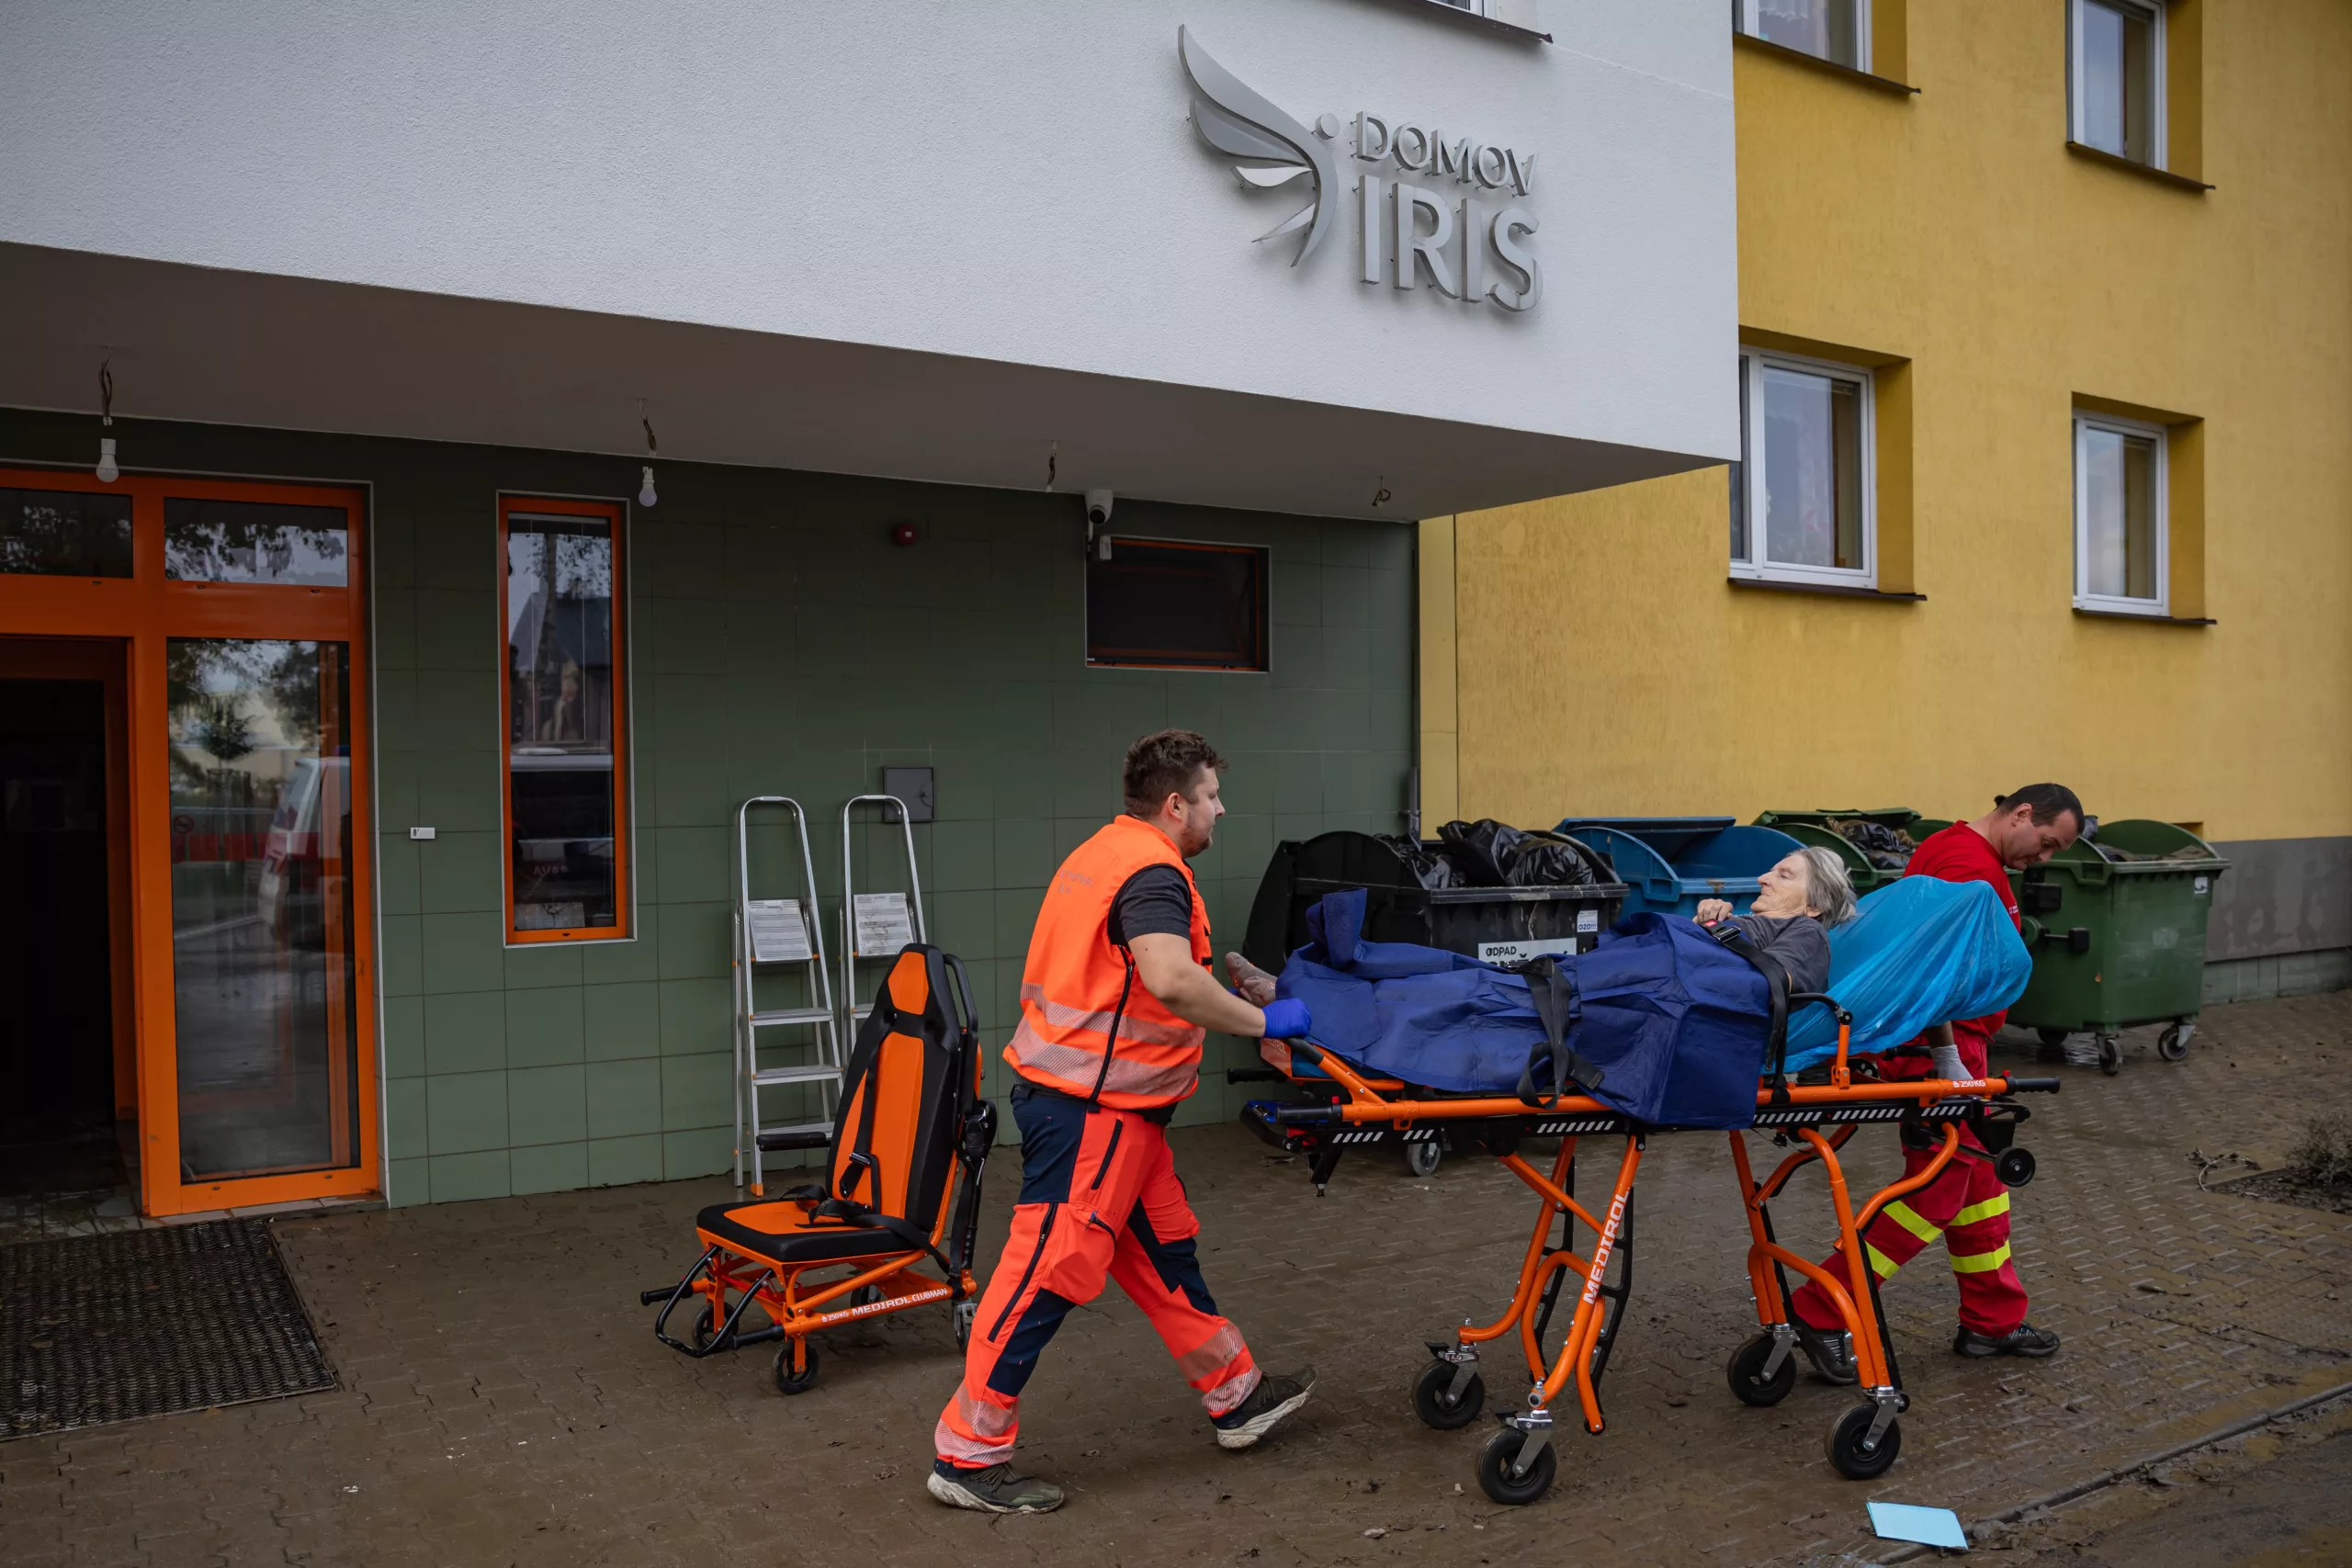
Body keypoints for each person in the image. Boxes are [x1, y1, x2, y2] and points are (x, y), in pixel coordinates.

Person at [928, 729, 1317, 1516]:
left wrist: (1236, 983)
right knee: (1047, 1272)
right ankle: (967, 1454)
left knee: (1164, 1254)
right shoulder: (1152, 873)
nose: (1220, 809)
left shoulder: (1104, 853)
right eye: (1211, 796)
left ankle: (1236, 1392)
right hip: (1094, 1119)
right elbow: (1168, 979)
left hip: (1114, 1115)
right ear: (1176, 804)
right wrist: (1260, 1021)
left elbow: (1135, 977)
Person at [1788, 784, 2085, 1379]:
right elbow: (1931, 968)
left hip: (1955, 1047)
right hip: (1943, 1049)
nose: (2044, 858)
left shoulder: (1958, 850)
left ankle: (1992, 1320)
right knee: (1937, 1189)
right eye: (2047, 842)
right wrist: (1946, 1054)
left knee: (1980, 1186)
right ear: (2022, 814)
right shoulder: (1966, 865)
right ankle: (1821, 1307)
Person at [1694, 845, 1859, 995]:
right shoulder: (1744, 921)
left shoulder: (1808, 932)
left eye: (1784, 876)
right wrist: (1705, 922)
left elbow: (1762, 987)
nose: (1762, 879)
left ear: (1814, 906)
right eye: (1771, 872)